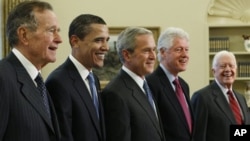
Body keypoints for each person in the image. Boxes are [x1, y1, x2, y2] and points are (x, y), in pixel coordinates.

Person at [0, 1, 62, 141]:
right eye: (51, 31)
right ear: (24, 35)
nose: (59, 39)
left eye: (58, 31)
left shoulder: (38, 82)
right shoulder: (3, 78)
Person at [45, 14, 109, 141]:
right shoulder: (58, 82)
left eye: (107, 40)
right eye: (98, 40)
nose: (106, 47)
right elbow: (63, 136)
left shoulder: (94, 79)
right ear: (75, 42)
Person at [101, 27, 165, 141]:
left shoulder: (147, 86)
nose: (153, 56)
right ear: (127, 55)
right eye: (146, 51)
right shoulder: (115, 94)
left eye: (154, 50)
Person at [146, 27, 194, 141]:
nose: (184, 55)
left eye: (186, 49)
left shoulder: (183, 85)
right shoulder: (150, 84)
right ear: (163, 52)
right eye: (178, 49)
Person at [191, 50, 250, 141]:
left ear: (236, 70)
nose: (228, 69)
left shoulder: (241, 98)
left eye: (231, 66)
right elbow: (198, 136)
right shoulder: (202, 97)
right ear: (213, 71)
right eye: (222, 66)